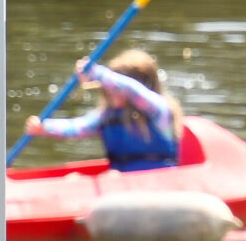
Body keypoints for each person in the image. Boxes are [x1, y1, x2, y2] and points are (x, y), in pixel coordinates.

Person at [21, 49, 182, 171]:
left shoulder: (159, 111)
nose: (109, 89)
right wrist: (44, 127)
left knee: (112, 176)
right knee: (75, 179)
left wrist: (99, 74)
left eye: (113, 86)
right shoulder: (107, 115)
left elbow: (132, 91)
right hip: (120, 184)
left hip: (157, 183)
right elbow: (77, 127)